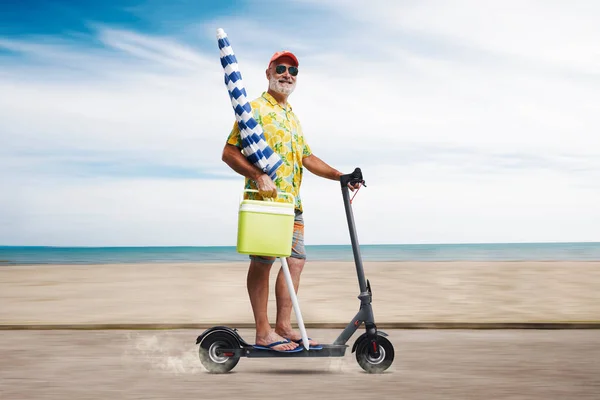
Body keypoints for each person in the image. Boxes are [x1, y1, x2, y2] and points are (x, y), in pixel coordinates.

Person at [222, 50, 359, 352]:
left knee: (295, 262)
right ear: (269, 72)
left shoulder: (292, 117)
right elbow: (229, 153)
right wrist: (258, 176)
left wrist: (341, 176)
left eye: (293, 71)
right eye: (281, 68)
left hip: (292, 205)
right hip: (266, 202)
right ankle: (263, 332)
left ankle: (283, 326)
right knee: (263, 263)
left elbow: (307, 158)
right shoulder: (253, 108)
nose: (287, 74)